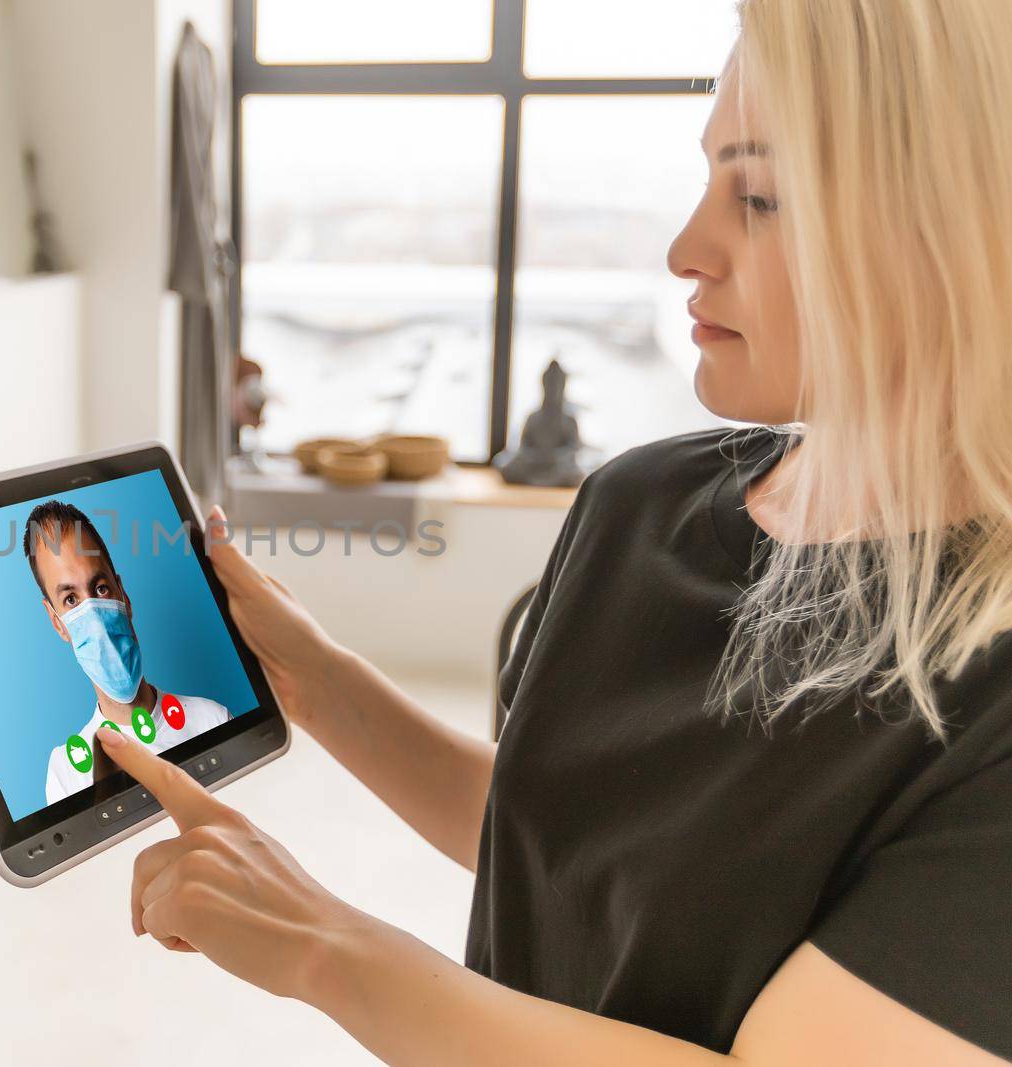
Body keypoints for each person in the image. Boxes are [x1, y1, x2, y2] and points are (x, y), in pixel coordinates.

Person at [90, 2, 1012, 1063]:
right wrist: (322, 684)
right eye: (709, 176)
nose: (685, 247)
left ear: (951, 228)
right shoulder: (635, 504)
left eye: (756, 196)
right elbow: (564, 843)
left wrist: (327, 946)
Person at [24, 500, 229, 805]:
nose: (93, 614)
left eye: (101, 589)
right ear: (58, 623)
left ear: (124, 595)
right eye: (70, 599)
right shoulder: (67, 774)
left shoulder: (212, 721)